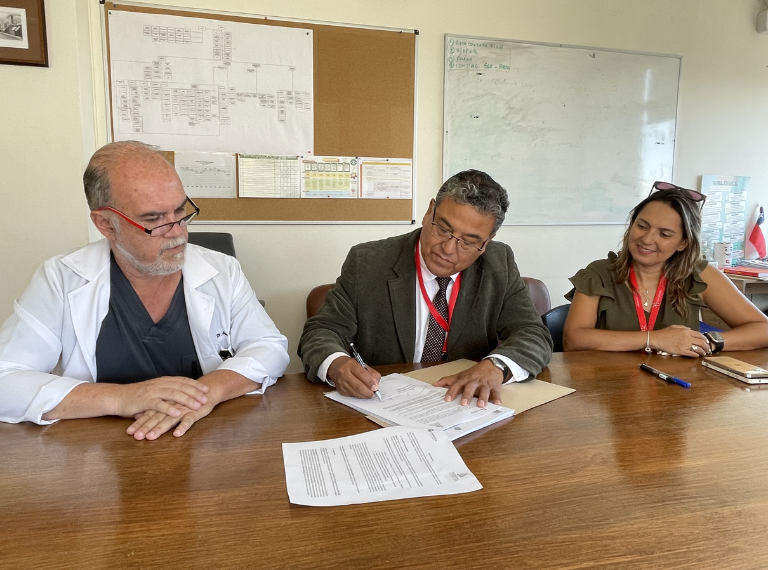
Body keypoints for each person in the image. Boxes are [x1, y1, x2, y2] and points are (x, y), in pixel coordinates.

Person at [0, 141, 289, 439]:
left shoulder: (222, 270)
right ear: (106, 225)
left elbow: (269, 346)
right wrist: (124, 398)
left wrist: (206, 394)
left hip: (201, 440)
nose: (177, 231)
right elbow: (5, 379)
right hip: (99, 452)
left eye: (180, 211)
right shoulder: (60, 279)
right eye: (154, 219)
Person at [298, 170, 553, 407]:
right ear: (429, 210)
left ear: (487, 243)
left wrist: (496, 366)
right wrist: (336, 363)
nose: (449, 249)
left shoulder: (500, 263)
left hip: (463, 407)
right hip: (383, 405)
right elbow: (323, 330)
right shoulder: (368, 261)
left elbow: (532, 333)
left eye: (469, 242)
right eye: (443, 229)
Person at [563, 182, 768, 355]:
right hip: (609, 391)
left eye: (665, 234)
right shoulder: (598, 274)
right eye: (642, 226)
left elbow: (763, 329)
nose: (647, 239)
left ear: (683, 243)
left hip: (677, 388)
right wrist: (655, 339)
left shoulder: (699, 274)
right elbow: (574, 339)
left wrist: (707, 342)